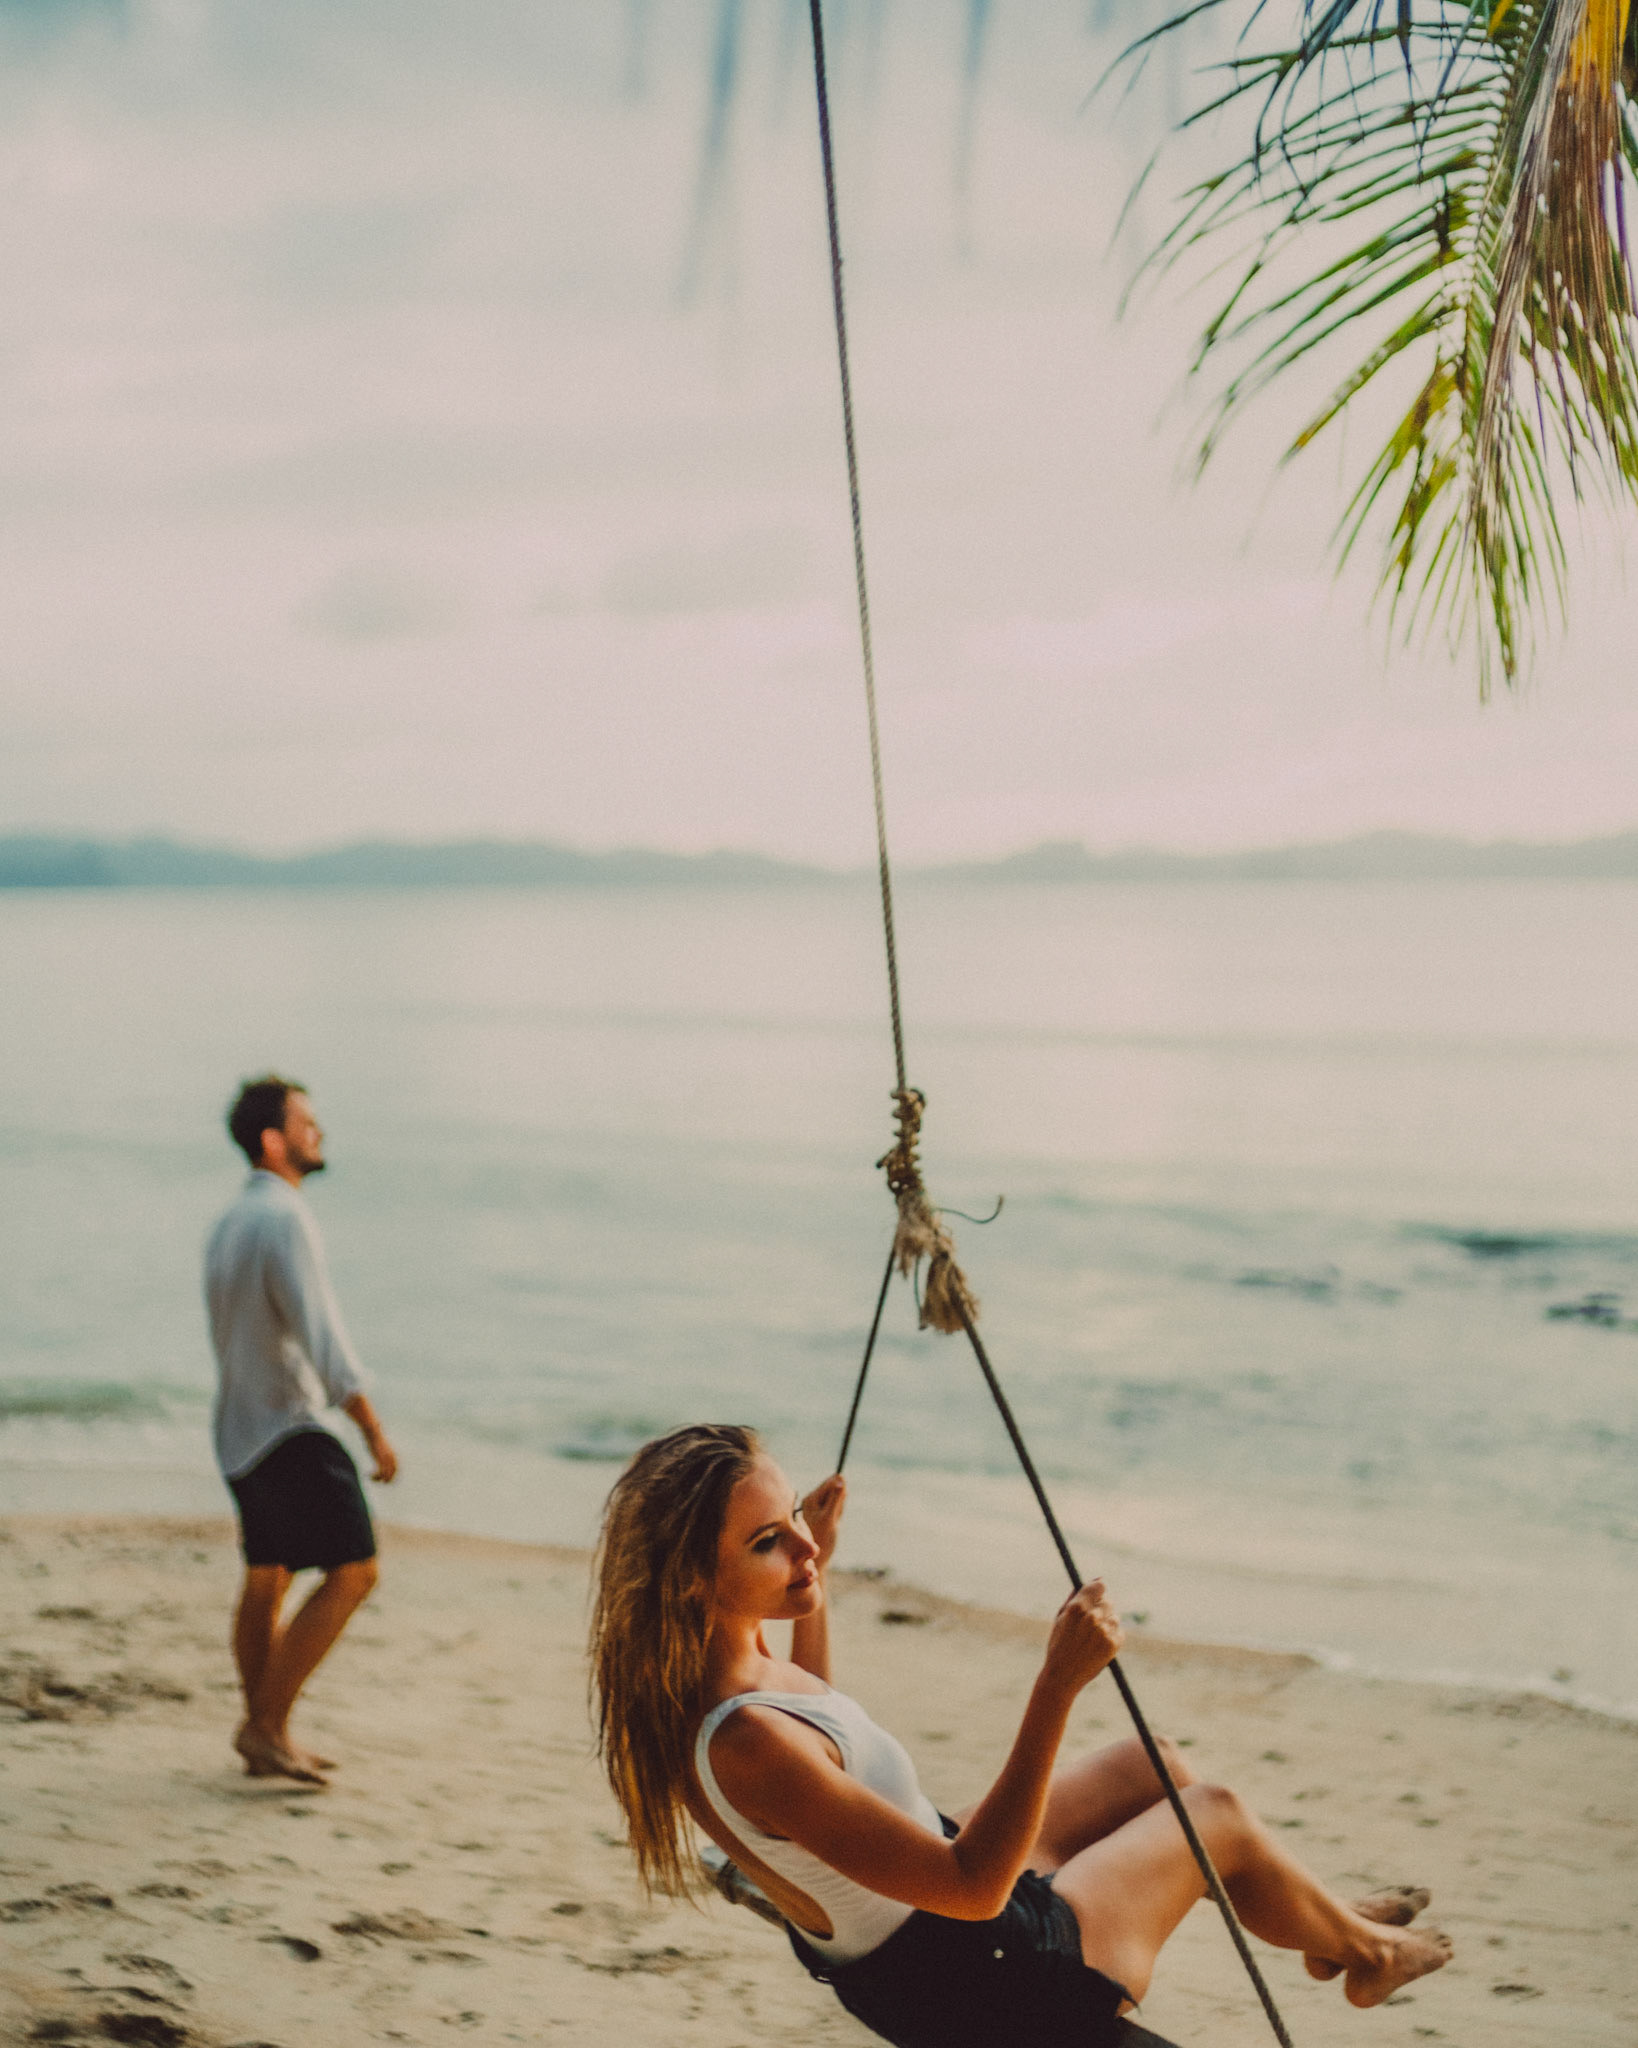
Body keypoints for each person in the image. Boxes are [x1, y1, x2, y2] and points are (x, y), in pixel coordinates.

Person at [590, 1425, 1452, 2048]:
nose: (805, 1548)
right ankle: (1371, 1953)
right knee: (1215, 1815)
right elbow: (970, 1890)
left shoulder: (719, 1679)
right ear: (694, 1581)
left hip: (934, 1919)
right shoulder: (747, 1741)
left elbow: (820, 1733)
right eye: (769, 1543)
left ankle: (1325, 1920)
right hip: (988, 1970)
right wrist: (1056, 1684)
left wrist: (818, 1580)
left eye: (795, 1520)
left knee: (1152, 1767)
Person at [204, 1074, 399, 1786]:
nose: (318, 1133)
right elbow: (325, 1340)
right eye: (305, 1123)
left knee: (269, 1575)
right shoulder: (285, 1217)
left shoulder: (230, 1219)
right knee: (355, 1570)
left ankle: (268, 1732)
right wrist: (373, 1432)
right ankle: (264, 1725)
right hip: (288, 1426)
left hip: (237, 1428)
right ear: (272, 1140)